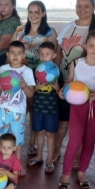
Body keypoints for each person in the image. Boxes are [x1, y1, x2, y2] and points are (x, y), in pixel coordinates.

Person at [55, 0, 95, 163]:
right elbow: (59, 54)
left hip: (91, 90)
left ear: (94, 7)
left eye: (86, 6)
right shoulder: (68, 27)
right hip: (68, 83)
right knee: (64, 121)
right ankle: (56, 151)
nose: (82, 9)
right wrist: (59, 80)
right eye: (79, 6)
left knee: (84, 126)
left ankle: (78, 157)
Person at [58, 31, 95, 189]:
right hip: (78, 106)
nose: (94, 49)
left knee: (89, 141)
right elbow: (69, 81)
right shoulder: (76, 62)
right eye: (91, 45)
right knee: (75, 140)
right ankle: (65, 174)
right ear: (85, 46)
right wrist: (63, 90)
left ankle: (82, 172)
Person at [13, 0, 57, 157]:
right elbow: (12, 52)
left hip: (41, 79)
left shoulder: (50, 33)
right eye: (30, 12)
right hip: (22, 75)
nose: (33, 15)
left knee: (34, 110)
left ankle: (32, 143)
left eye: (37, 12)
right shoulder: (20, 32)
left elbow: (54, 58)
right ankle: (14, 141)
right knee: (20, 109)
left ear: (43, 13)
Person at [0, 41, 35, 165]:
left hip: (18, 112)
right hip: (2, 110)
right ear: (7, 54)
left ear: (24, 55)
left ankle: (17, 164)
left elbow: (31, 94)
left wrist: (24, 86)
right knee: (0, 138)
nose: (15, 56)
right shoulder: (3, 69)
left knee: (17, 139)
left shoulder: (27, 71)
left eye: (19, 53)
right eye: (12, 53)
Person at [29, 42, 61, 172]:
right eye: (41, 54)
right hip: (38, 107)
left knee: (50, 134)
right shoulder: (35, 71)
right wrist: (36, 87)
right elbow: (31, 90)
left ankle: (49, 159)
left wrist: (56, 87)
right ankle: (39, 156)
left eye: (47, 54)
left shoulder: (56, 72)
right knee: (40, 133)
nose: (44, 57)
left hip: (51, 109)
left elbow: (61, 92)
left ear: (54, 55)